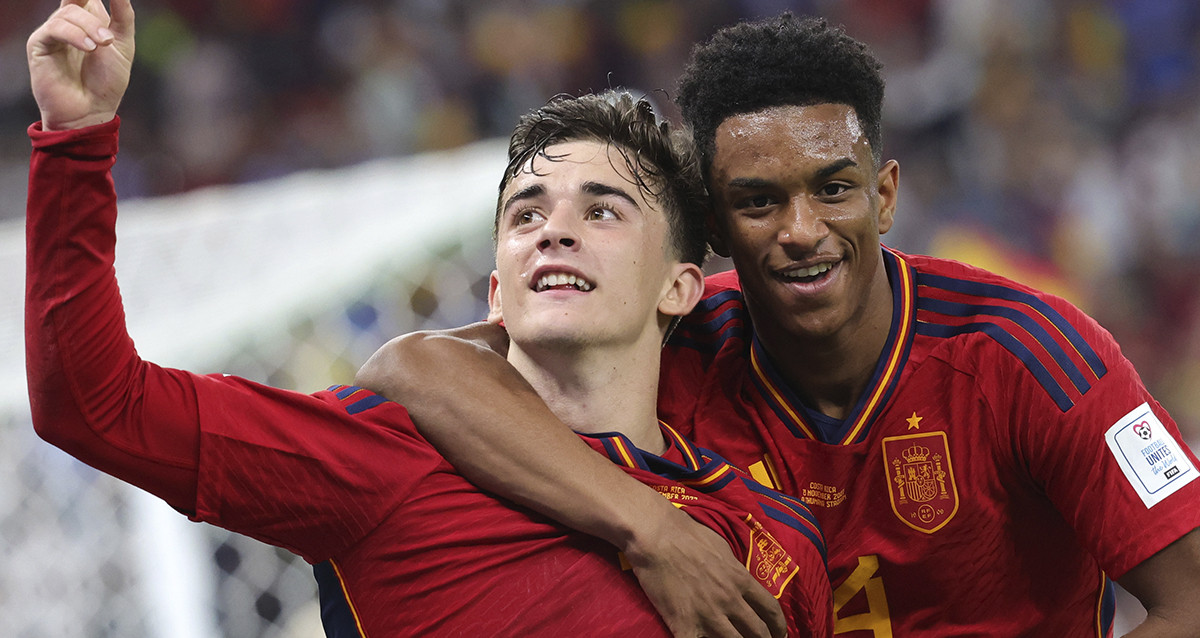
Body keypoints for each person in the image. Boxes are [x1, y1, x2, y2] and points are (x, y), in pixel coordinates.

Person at [356, 12, 1200, 638]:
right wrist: (645, 527)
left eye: (833, 189)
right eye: (759, 201)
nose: (801, 229)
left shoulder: (1030, 353)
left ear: (885, 196)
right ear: (715, 231)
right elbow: (414, 367)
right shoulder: (671, 341)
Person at [23, 1, 833, 636]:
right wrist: (77, 141)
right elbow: (95, 405)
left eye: (604, 210)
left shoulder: (769, 535)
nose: (553, 230)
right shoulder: (386, 454)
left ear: (681, 288)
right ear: (495, 293)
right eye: (525, 216)